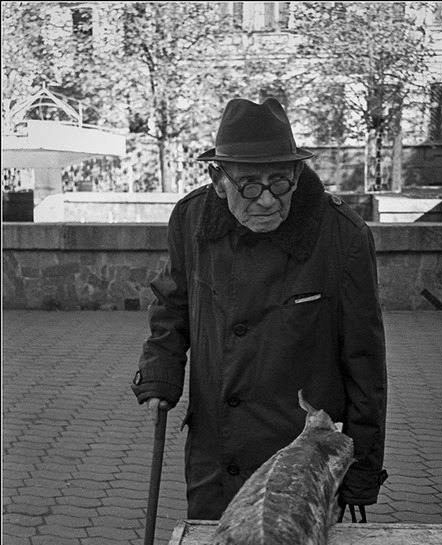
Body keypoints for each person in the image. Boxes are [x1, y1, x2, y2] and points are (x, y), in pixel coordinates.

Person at [132, 97, 387, 521]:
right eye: (250, 185)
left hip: (302, 459)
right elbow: (173, 305)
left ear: (296, 173)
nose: (267, 199)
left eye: (280, 182)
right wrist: (160, 370)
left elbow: (366, 367)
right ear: (218, 179)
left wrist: (360, 473)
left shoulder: (342, 237)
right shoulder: (191, 220)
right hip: (216, 454)